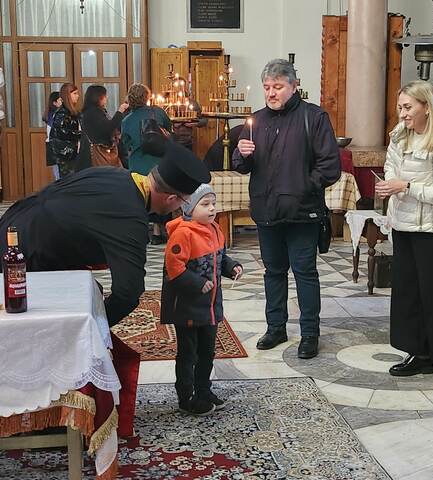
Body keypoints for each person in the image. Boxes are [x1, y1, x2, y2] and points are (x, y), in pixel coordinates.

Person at [0, 141, 211, 328]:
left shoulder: (116, 174)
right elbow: (128, 292)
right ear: (171, 199)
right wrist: (94, 329)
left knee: (91, 292)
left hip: (13, 224)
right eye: (183, 202)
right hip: (25, 255)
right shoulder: (130, 217)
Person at [232, 58, 340, 359]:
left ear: (294, 86)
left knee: (305, 273)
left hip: (302, 213)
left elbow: (330, 166)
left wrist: (302, 187)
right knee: (273, 272)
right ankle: (275, 327)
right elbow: (241, 166)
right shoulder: (256, 121)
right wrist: (242, 153)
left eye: (278, 87)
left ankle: (310, 334)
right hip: (267, 211)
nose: (271, 93)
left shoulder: (313, 117)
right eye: (267, 87)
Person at [375, 80, 433, 377]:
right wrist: (391, 182)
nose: (402, 114)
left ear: (427, 107)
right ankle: (419, 352)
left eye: (408, 107)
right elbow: (390, 166)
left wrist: (405, 186)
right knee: (408, 293)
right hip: (404, 225)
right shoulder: (399, 136)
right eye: (400, 107)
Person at [161, 183, 242, 415]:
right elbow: (174, 267)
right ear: (188, 207)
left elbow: (221, 257)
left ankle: (203, 390)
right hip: (188, 307)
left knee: (207, 352)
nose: (212, 208)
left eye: (213, 203)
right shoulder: (183, 234)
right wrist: (197, 283)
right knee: (188, 353)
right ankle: (186, 396)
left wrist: (231, 267)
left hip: (210, 307)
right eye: (205, 204)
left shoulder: (215, 229)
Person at [121, 83, 173, 244]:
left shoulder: (126, 120)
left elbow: (125, 144)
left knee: (140, 199)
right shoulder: (158, 112)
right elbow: (169, 128)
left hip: (138, 164)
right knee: (161, 194)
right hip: (159, 161)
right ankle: (158, 231)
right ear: (147, 97)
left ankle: (142, 231)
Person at [76, 84, 129, 171]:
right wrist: (120, 111)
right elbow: (108, 128)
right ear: (98, 97)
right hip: (97, 153)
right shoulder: (92, 112)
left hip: (100, 151)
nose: (106, 98)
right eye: (104, 96)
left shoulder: (97, 111)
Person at [49, 83, 81, 178]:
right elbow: (62, 132)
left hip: (70, 152)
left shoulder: (70, 112)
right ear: (67, 95)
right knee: (67, 180)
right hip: (64, 154)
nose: (78, 96)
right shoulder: (62, 113)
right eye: (75, 93)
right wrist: (80, 134)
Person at [42, 91, 62, 180]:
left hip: (53, 146)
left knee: (58, 174)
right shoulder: (55, 115)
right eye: (61, 100)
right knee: (59, 175)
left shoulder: (52, 114)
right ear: (54, 103)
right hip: (55, 146)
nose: (63, 102)